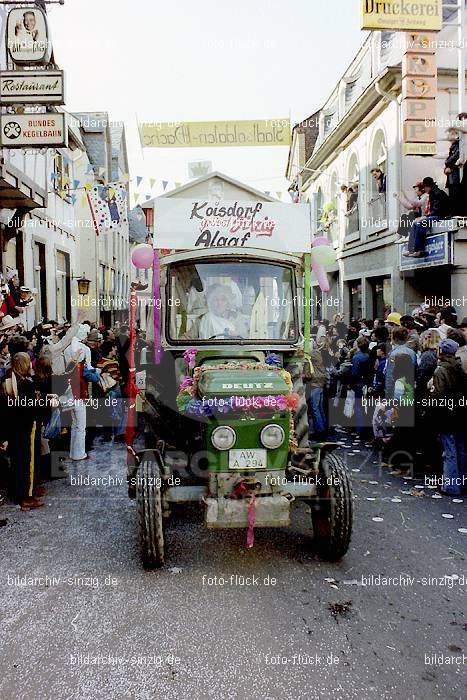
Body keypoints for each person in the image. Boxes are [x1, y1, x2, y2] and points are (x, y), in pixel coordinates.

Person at [1, 352, 42, 510]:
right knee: (28, 462)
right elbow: (31, 408)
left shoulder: (9, 381)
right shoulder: (26, 383)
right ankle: (27, 496)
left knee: (17, 461)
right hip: (26, 426)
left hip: (13, 427)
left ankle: (16, 492)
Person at [429, 338, 466, 496]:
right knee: (461, 449)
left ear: (441, 352)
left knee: (449, 450)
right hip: (461, 412)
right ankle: (462, 482)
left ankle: (451, 485)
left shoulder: (440, 370)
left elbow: (438, 395)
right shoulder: (460, 367)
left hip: (446, 414)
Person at [404, 177, 450, 258]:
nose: (424, 190)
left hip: (441, 216)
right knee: (415, 223)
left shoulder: (437, 193)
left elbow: (437, 210)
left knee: (421, 223)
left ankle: (420, 250)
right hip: (435, 215)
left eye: (424, 188)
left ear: (428, 186)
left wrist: (425, 217)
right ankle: (411, 248)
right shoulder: (432, 193)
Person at [385, 327, 417, 400]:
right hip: (409, 389)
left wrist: (387, 395)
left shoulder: (393, 354)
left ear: (394, 338)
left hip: (396, 391)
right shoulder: (412, 353)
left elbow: (390, 376)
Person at [350, 336, 371, 438]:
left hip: (358, 383)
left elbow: (354, 373)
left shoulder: (356, 357)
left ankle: (359, 429)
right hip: (367, 382)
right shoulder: (369, 355)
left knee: (358, 407)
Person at [444, 128, 462, 215]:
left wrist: (448, 165)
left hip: (455, 176)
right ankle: (453, 213)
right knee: (452, 195)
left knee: (455, 195)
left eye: (451, 134)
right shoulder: (453, 147)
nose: (449, 137)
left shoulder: (458, 145)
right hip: (452, 177)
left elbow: (454, 158)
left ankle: (455, 213)